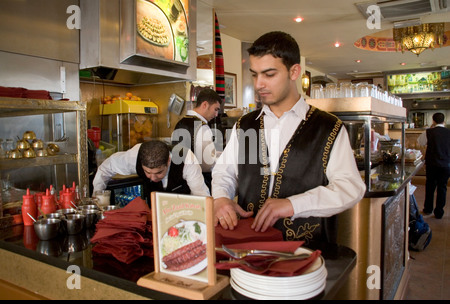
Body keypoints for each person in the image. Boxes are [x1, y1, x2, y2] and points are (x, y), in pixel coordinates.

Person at [211, 31, 366, 243]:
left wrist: (293, 204)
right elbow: (224, 172)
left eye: (269, 74)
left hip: (306, 250)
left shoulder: (329, 127)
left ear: (294, 72)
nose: (259, 84)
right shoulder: (245, 125)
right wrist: (220, 198)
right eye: (255, 74)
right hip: (249, 248)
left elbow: (350, 187)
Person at [93, 140, 210, 206]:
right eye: (147, 172)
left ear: (168, 161)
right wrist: (98, 199)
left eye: (159, 172)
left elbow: (202, 197)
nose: (153, 178)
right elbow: (105, 168)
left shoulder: (186, 159)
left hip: (184, 211)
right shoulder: (134, 156)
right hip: (153, 212)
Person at [172, 88, 222, 191]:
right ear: (205, 105)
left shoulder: (180, 122)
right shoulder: (202, 127)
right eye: (215, 109)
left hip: (179, 182)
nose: (216, 114)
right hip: (199, 182)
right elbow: (207, 164)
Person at [417, 112, 450, 219]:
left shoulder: (428, 132)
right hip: (446, 164)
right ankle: (439, 212)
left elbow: (420, 142)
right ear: (444, 121)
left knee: (430, 186)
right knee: (442, 187)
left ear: (433, 121)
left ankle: (428, 209)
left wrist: (431, 128)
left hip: (432, 163)